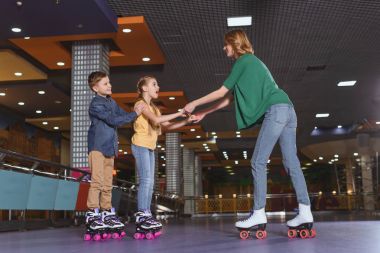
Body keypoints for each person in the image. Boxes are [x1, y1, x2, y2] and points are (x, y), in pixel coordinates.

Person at [184, 29, 313, 233]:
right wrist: (204, 113)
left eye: (226, 44)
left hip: (276, 110)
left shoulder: (243, 61)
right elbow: (228, 98)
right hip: (288, 109)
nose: (224, 47)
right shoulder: (253, 62)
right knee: (291, 162)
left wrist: (193, 104)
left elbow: (221, 92)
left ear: (235, 44)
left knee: (257, 161)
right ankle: (306, 212)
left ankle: (258, 213)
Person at [84, 71, 145, 240]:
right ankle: (92, 213)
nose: (109, 85)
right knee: (96, 181)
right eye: (105, 83)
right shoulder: (96, 104)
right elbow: (114, 120)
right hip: (97, 147)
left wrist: (135, 111)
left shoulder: (111, 102)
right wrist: (135, 113)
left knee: (107, 183)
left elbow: (121, 115)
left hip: (109, 148)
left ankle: (106, 212)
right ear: (95, 88)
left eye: (109, 82)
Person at [132, 76, 194, 239]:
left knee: (150, 181)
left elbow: (167, 126)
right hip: (140, 144)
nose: (157, 86)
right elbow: (157, 120)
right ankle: (142, 215)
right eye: (154, 84)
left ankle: (145, 214)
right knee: (146, 180)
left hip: (150, 147)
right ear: (145, 88)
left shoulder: (154, 108)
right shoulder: (140, 104)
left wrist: (186, 120)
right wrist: (179, 112)